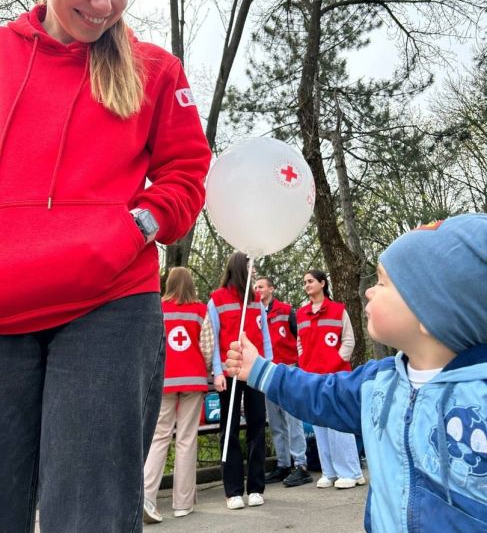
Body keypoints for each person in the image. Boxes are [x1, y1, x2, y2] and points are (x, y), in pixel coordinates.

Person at [0, 0, 211, 532]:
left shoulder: (153, 70)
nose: (103, 3)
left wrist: (138, 225)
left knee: (86, 515)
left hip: (108, 308)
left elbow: (185, 171)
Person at [226, 214, 487, 532]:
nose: (369, 292)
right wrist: (259, 370)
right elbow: (320, 394)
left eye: (382, 283)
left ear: (431, 311)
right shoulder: (379, 382)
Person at [143, 267, 214, 523]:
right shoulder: (199, 309)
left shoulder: (158, 308)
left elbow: (150, 344)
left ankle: (147, 497)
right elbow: (207, 347)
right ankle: (183, 504)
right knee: (186, 439)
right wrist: (203, 367)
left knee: (159, 437)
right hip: (193, 379)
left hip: (165, 380)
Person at [208, 252, 273, 510]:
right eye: (250, 265)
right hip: (230, 370)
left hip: (256, 370)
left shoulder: (256, 300)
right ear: (240, 267)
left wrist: (269, 365)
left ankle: (256, 487)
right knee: (230, 428)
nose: (254, 269)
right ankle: (233, 490)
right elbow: (213, 338)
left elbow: (264, 335)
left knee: (257, 424)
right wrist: (217, 371)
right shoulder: (217, 299)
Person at [297, 269, 365, 489]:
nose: (306, 285)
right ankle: (329, 471)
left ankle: (352, 472)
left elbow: (348, 341)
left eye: (310, 281)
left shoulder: (338, 310)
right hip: (311, 376)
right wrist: (303, 363)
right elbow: (300, 342)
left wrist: (335, 361)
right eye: (305, 282)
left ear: (323, 283)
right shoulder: (301, 313)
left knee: (338, 423)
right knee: (319, 423)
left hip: (335, 375)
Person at [254, 276, 312, 487]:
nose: (257, 289)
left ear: (271, 288)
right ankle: (283, 463)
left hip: (287, 369)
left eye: (261, 286)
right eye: (255, 287)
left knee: (292, 419)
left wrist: (299, 365)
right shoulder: (254, 313)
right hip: (267, 371)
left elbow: (299, 338)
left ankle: (301, 464)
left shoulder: (286, 311)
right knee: (275, 421)